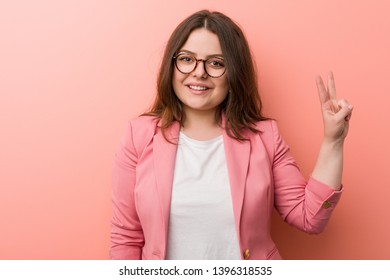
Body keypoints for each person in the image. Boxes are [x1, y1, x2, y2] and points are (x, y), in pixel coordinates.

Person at [110, 10, 353, 260]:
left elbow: (309, 217)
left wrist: (333, 141)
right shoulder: (139, 136)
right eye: (186, 59)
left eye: (216, 63)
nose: (199, 72)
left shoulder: (265, 137)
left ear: (233, 72)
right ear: (172, 65)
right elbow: (126, 237)